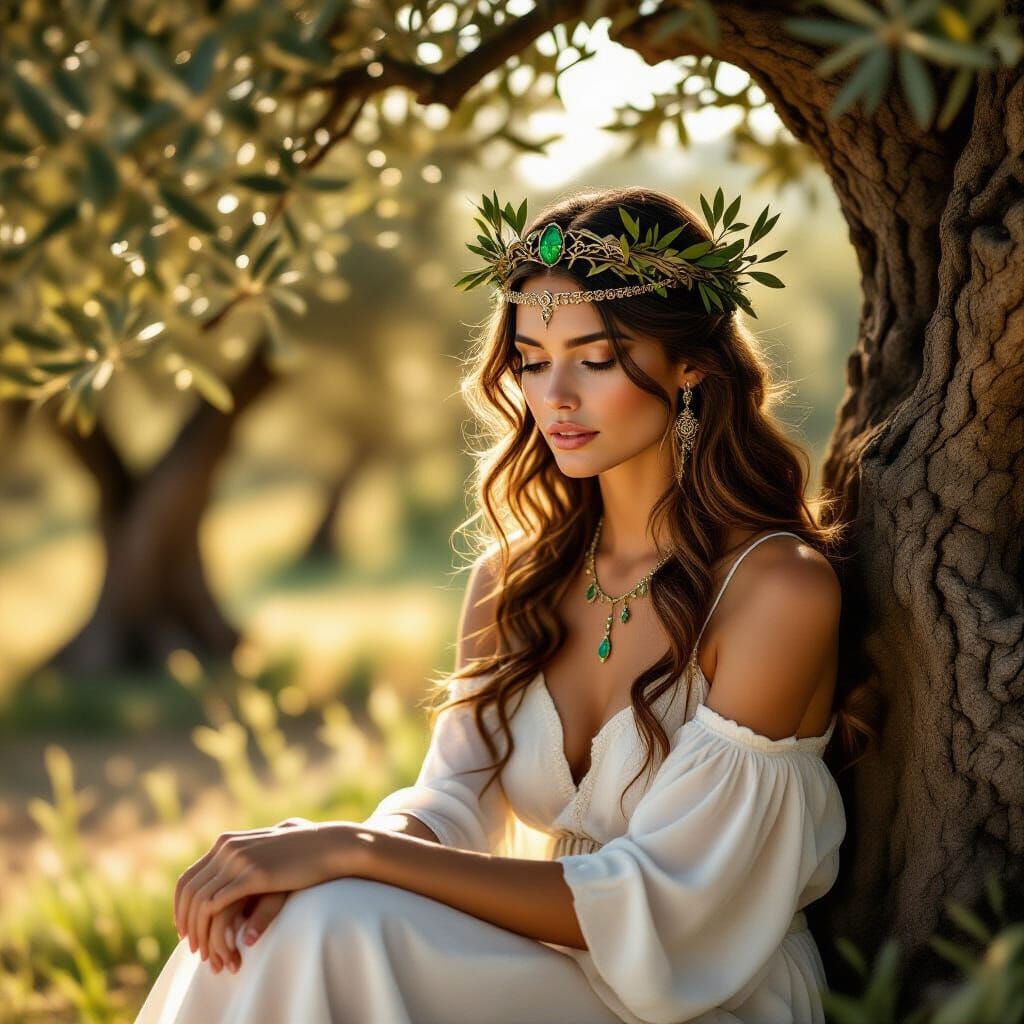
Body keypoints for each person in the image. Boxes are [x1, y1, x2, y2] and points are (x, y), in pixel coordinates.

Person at [134, 184, 855, 1023]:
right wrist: (321, 860)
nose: (556, 396)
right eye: (532, 360)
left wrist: (353, 850)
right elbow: (450, 803)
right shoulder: (515, 579)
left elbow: (668, 906)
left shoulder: (776, 590)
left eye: (594, 358)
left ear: (689, 364)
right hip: (547, 963)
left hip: (700, 993)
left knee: (333, 920)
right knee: (283, 917)